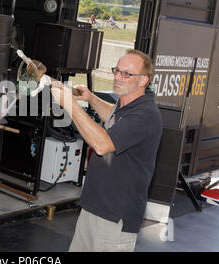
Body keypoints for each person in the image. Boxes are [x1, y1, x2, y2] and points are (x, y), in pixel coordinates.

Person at [50, 49, 162, 252]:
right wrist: (91, 98)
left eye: (126, 74)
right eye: (117, 71)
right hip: (94, 207)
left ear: (143, 80)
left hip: (115, 217)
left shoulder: (145, 115)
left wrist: (70, 104)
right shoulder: (126, 104)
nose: (118, 77)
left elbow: (102, 145)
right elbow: (112, 115)